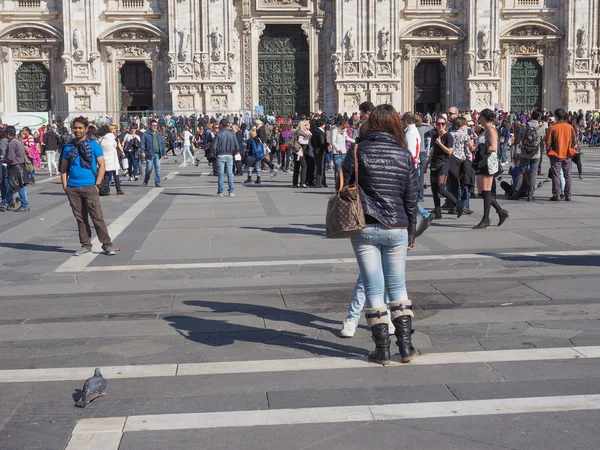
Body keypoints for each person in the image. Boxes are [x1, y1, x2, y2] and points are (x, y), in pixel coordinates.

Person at [341, 104, 418, 365]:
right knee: (398, 287)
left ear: (371, 122)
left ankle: (382, 351)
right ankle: (406, 348)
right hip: (397, 226)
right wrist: (411, 232)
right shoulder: (404, 153)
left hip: (365, 226)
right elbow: (412, 197)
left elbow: (343, 182)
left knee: (374, 289)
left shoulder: (359, 148)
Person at [60, 117, 115, 256]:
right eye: (75, 128)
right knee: (80, 218)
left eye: (80, 128)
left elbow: (102, 165)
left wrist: (97, 184)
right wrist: (65, 186)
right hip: (73, 187)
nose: (77, 130)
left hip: (90, 186)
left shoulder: (94, 145)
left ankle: (107, 244)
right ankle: (85, 245)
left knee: (97, 217)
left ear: (85, 129)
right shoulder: (68, 147)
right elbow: (63, 169)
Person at [473, 108, 509, 229]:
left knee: (486, 191)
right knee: (483, 191)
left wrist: (479, 148)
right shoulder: (486, 130)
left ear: (483, 117)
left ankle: (486, 219)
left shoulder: (492, 130)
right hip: (483, 161)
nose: (478, 118)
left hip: (488, 162)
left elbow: (494, 147)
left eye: (480, 116)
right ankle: (500, 211)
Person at [424, 116, 465, 219]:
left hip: (443, 164)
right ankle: (438, 211)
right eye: (438, 124)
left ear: (445, 124)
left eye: (442, 124)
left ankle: (458, 204)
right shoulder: (435, 135)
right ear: (435, 125)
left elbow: (450, 151)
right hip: (434, 164)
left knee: (441, 189)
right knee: (434, 189)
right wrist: (426, 164)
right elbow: (433, 151)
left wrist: (440, 144)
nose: (440, 126)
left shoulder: (448, 136)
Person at [510, 110, 544, 201]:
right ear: (539, 118)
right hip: (535, 154)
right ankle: (530, 194)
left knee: (520, 172)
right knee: (533, 173)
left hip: (524, 152)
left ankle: (516, 192)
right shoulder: (541, 127)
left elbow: (520, 137)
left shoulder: (524, 125)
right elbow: (541, 139)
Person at [546, 108, 577, 201]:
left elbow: (548, 142)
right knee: (568, 175)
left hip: (556, 154)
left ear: (556, 116)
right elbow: (574, 141)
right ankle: (568, 194)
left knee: (556, 175)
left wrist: (548, 152)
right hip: (567, 154)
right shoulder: (569, 127)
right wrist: (571, 150)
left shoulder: (553, 127)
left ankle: (557, 194)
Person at [3, 126, 31, 212]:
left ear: (8, 134)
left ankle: (25, 204)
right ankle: (5, 202)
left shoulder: (11, 143)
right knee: (14, 186)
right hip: (21, 166)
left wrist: (2, 160)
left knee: (18, 186)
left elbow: (10, 158)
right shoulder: (19, 141)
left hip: (15, 167)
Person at [212, 119, 238, 197]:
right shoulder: (232, 134)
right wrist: (234, 153)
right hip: (229, 154)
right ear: (228, 125)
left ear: (220, 125)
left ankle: (220, 192)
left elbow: (214, 147)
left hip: (220, 155)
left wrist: (215, 154)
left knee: (221, 174)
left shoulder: (219, 134)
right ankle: (231, 191)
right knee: (230, 173)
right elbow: (237, 146)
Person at [98, 125, 124, 195]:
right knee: (116, 176)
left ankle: (107, 190)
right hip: (113, 159)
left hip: (105, 159)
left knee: (106, 175)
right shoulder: (112, 138)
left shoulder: (101, 140)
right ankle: (118, 190)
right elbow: (115, 145)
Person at [141, 119, 165, 187]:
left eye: (156, 126)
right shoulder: (146, 134)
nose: (155, 127)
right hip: (149, 154)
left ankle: (157, 182)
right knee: (149, 169)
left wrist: (164, 153)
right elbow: (142, 143)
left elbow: (162, 144)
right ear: (150, 126)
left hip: (158, 154)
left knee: (157, 168)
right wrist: (142, 151)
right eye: (153, 125)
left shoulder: (159, 134)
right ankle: (146, 178)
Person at [292, 120, 310, 188]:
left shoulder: (304, 132)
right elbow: (300, 141)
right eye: (308, 124)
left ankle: (295, 182)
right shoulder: (300, 132)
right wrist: (307, 141)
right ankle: (302, 182)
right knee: (304, 166)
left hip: (299, 151)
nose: (309, 125)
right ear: (304, 126)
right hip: (299, 151)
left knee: (297, 166)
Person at [311, 119, 329, 188]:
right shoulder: (321, 132)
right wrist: (326, 145)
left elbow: (312, 142)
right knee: (321, 167)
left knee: (319, 166)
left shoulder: (315, 131)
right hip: (321, 151)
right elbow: (322, 142)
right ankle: (319, 182)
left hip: (316, 150)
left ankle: (322, 181)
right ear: (322, 124)